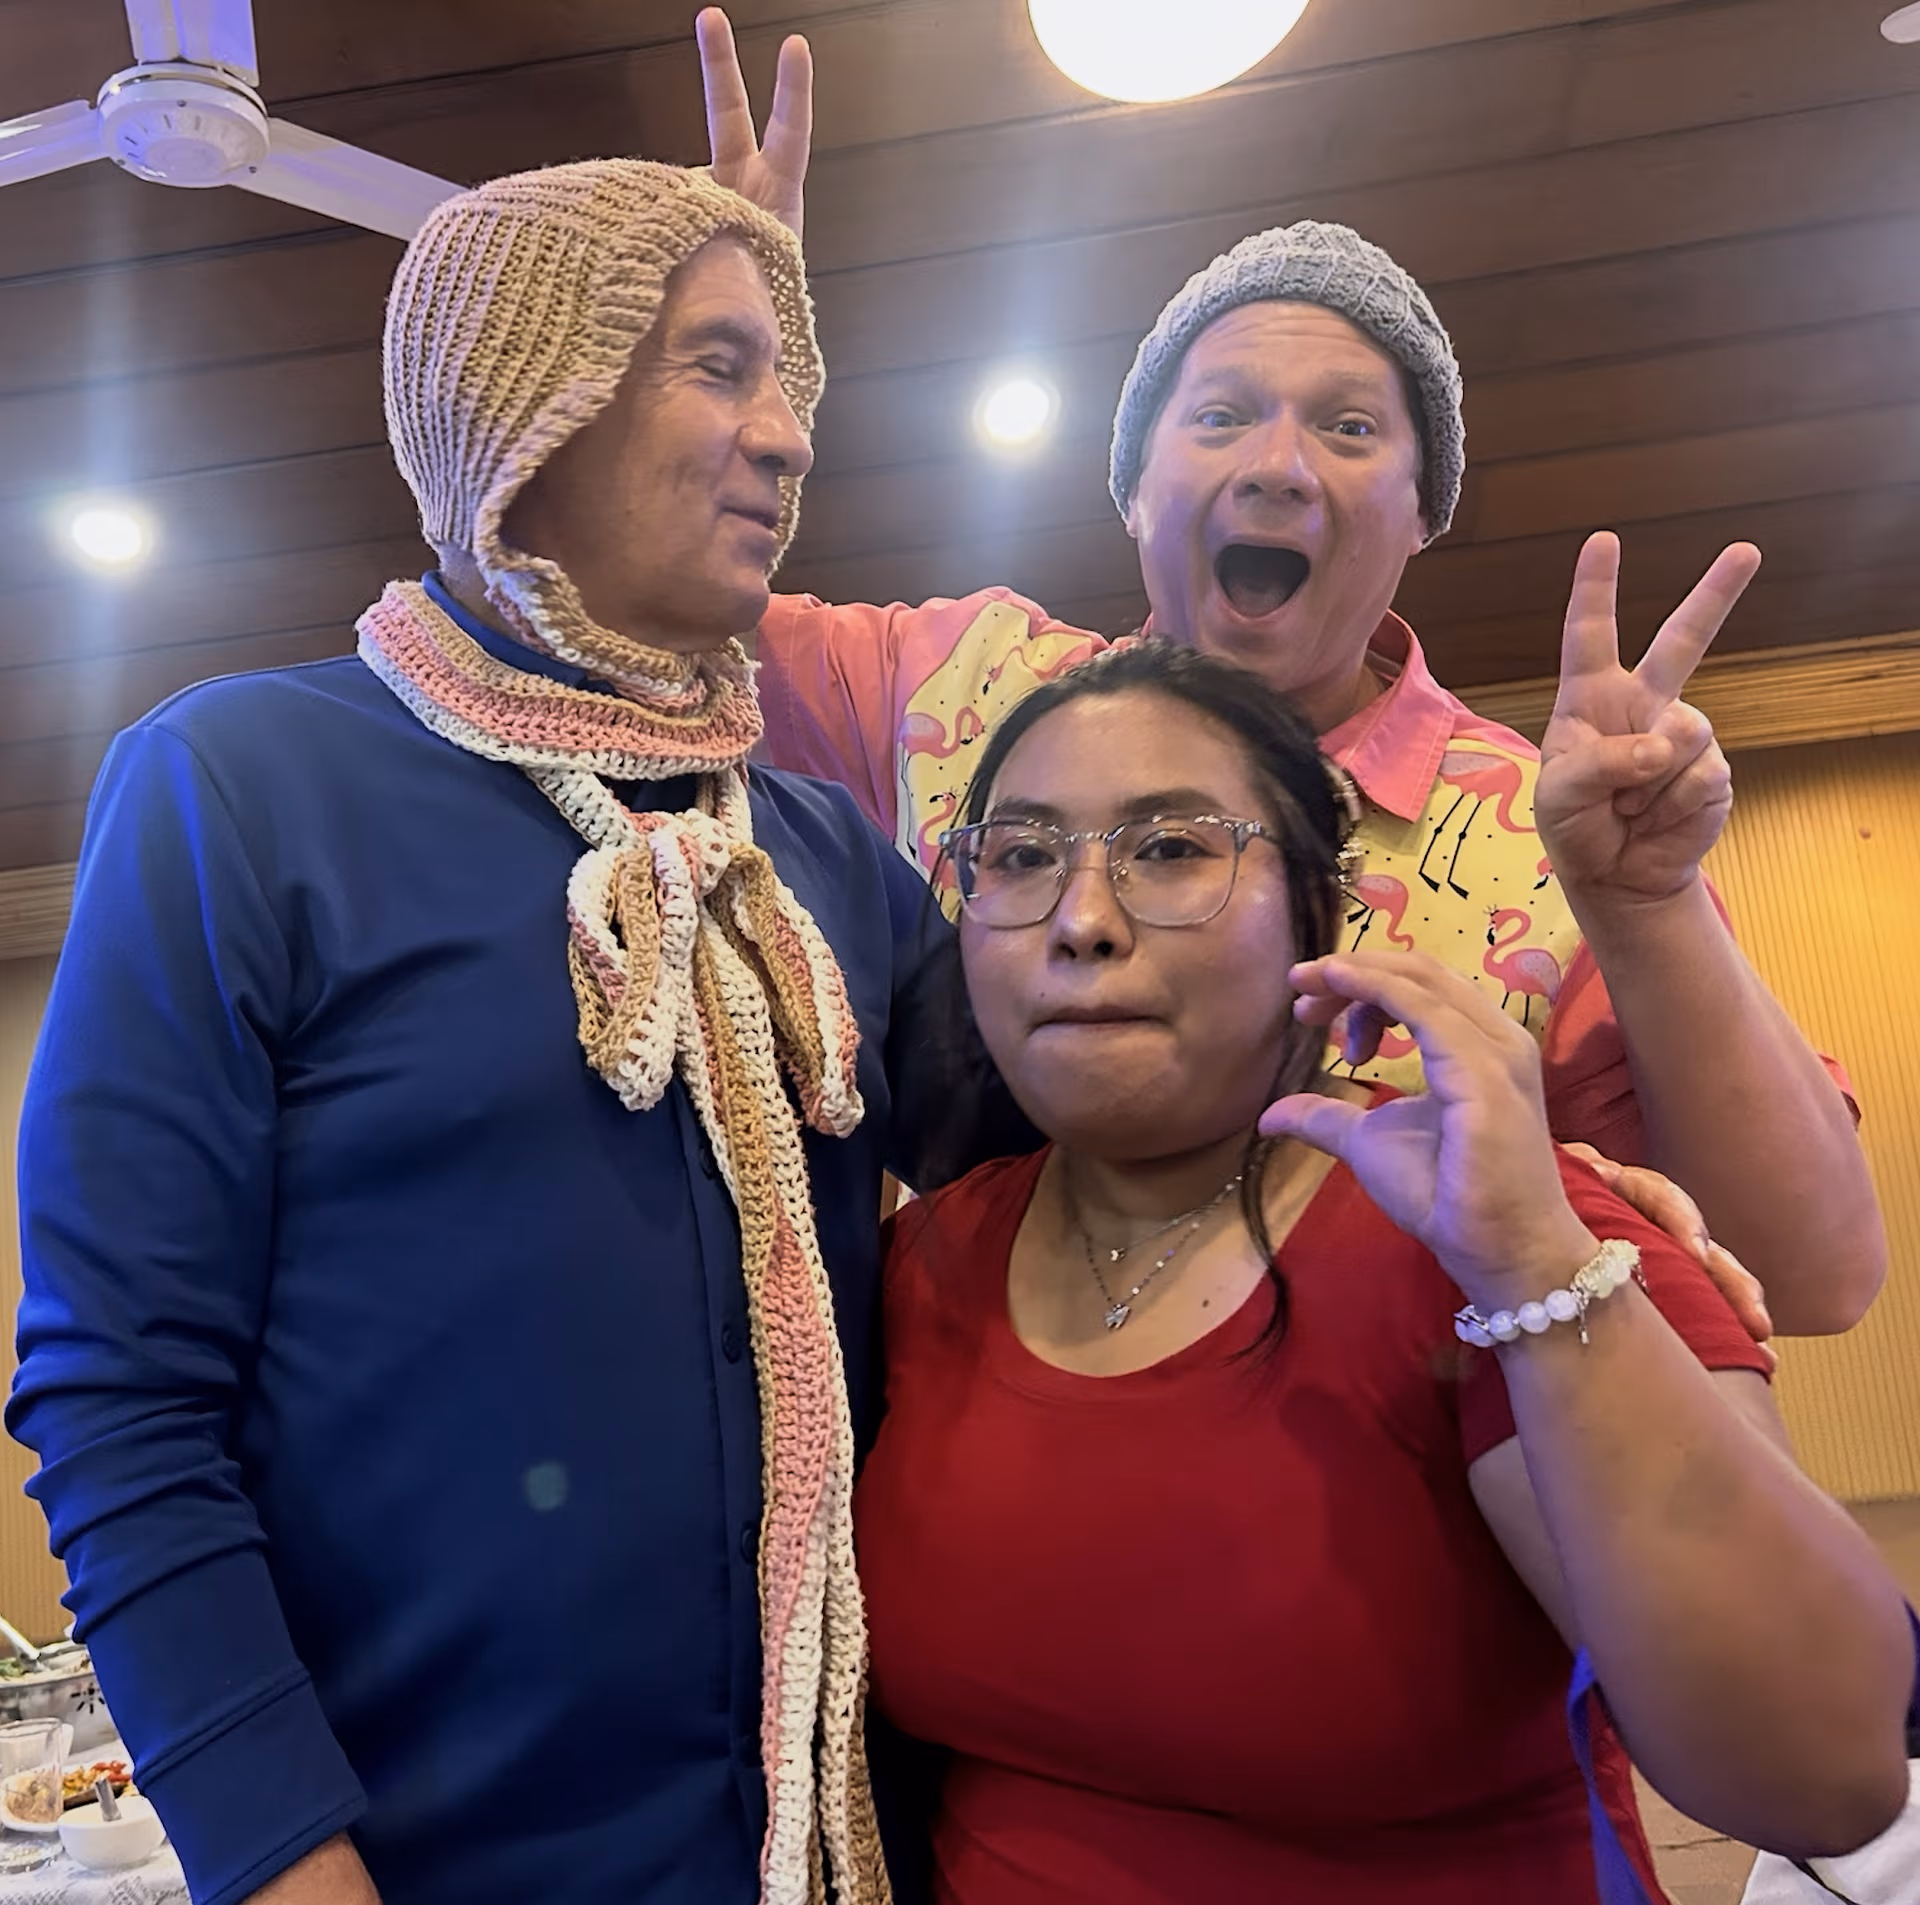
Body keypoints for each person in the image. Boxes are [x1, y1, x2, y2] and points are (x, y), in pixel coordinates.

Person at [8, 161, 1024, 1905]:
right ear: (529, 401)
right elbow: (121, 1396)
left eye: (792, 382)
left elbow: (1081, 1179)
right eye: (719, 366)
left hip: (857, 1858)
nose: (788, 436)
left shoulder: (829, 861)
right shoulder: (236, 790)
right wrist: (280, 1859)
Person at [692, 8, 1886, 1340]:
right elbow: (620, 616)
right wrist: (729, 361)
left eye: (1350, 426)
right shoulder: (957, 684)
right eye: (1218, 417)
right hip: (970, 1440)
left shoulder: (1550, 838)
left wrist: (1648, 904)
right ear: (1135, 489)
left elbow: (1816, 1274)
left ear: (1421, 512)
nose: (1277, 464)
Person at [852, 639, 1916, 1904]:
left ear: (1318, 906)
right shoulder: (913, 1268)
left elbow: (1825, 1768)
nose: (1082, 922)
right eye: (1021, 858)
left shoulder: (1484, 1216)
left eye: (1173, 849)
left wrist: (1532, 1258)